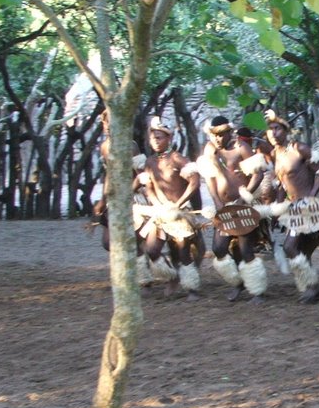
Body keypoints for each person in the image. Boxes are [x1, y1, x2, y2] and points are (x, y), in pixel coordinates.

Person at [251, 111, 319, 304]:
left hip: (307, 208)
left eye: (277, 128)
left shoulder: (299, 148)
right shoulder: (275, 154)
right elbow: (282, 184)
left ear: (285, 130)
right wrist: (277, 208)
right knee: (300, 248)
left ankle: (312, 287)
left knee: (290, 246)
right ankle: (312, 286)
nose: (273, 133)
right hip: (291, 207)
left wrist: (311, 196)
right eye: (269, 130)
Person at [196, 116, 268, 303]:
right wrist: (217, 202)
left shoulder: (240, 148)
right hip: (224, 207)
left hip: (244, 205)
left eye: (221, 135)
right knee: (219, 248)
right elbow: (210, 179)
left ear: (229, 132)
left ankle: (257, 291)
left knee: (245, 249)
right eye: (214, 135)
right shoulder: (210, 150)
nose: (218, 139)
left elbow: (258, 175)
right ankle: (239, 282)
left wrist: (245, 197)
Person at [137, 117, 205, 300]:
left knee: (183, 252)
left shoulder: (176, 158)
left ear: (169, 138)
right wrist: (159, 205)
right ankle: (172, 277)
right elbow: (147, 187)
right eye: (153, 138)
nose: (156, 141)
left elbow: (194, 181)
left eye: (159, 137)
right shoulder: (150, 162)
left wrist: (178, 204)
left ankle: (192, 288)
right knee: (151, 250)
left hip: (180, 212)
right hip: (160, 212)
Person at [94, 109, 152, 288]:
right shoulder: (104, 146)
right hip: (114, 197)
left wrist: (129, 192)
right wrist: (103, 200)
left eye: (111, 122)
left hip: (132, 196)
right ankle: (125, 274)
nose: (108, 127)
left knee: (133, 238)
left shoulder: (130, 145)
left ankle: (144, 277)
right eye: (105, 123)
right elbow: (108, 175)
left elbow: (141, 175)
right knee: (108, 242)